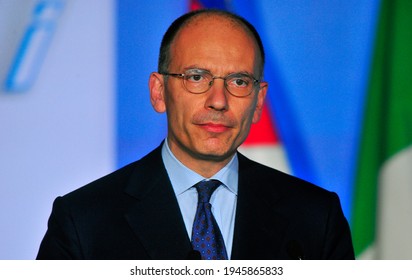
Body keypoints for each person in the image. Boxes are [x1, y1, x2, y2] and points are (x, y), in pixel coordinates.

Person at [37, 9, 355, 260]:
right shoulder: (84, 221)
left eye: (240, 82)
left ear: (258, 102)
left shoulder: (315, 218)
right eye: (197, 77)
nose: (218, 100)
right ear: (159, 92)